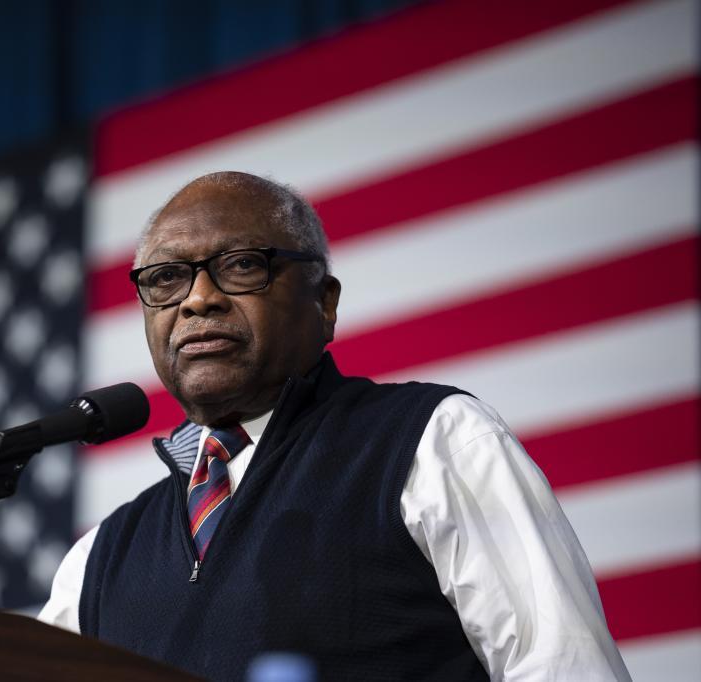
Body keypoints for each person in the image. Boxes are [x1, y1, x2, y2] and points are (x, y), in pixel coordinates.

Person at [38, 172, 630, 681]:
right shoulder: (99, 556)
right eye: (166, 278)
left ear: (324, 303)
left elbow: (561, 666)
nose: (197, 299)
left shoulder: (433, 440)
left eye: (241, 266)